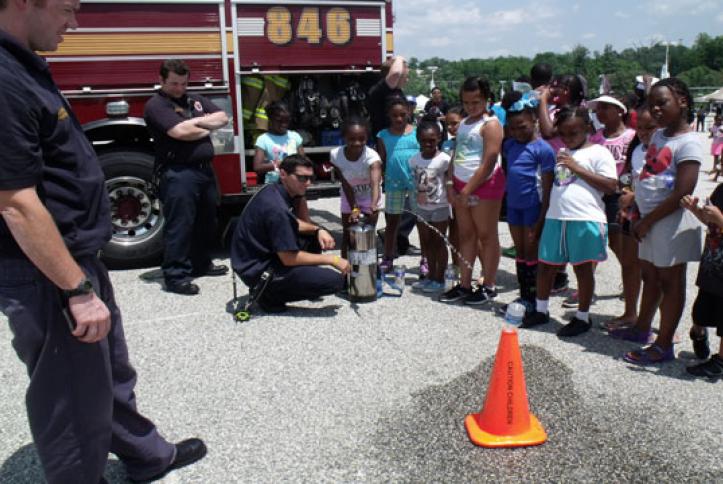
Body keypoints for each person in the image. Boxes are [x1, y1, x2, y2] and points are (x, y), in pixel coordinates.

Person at [0, 2, 206, 482]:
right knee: (72, 395)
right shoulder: (4, 79)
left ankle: (146, 454)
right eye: (67, 9)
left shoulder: (24, 65)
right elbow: (15, 202)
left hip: (74, 258)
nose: (74, 23)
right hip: (48, 271)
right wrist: (74, 289)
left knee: (107, 373)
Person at [619, 78, 703, 365]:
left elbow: (683, 191)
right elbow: (649, 177)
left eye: (661, 102)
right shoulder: (659, 136)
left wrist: (648, 220)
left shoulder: (688, 142)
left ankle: (664, 343)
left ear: (682, 100)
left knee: (671, 282)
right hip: (649, 219)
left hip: (671, 222)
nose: (654, 109)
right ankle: (642, 328)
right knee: (650, 276)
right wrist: (637, 211)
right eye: (651, 103)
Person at [521, 107, 617, 336]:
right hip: (557, 217)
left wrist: (576, 167)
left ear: (587, 127)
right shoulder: (562, 152)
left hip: (585, 218)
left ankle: (582, 317)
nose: (568, 137)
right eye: (563, 133)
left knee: (583, 269)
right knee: (546, 266)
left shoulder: (599, 153)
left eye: (574, 131)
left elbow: (610, 186)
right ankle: (541, 310)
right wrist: (542, 219)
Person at [144, 59, 230, 295]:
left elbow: (223, 117)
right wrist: (203, 126)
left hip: (203, 170)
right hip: (178, 172)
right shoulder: (157, 105)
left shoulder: (194, 100)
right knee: (180, 224)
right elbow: (180, 132)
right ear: (161, 80)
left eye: (183, 83)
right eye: (173, 83)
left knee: (207, 221)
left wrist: (195, 122)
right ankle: (176, 275)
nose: (179, 88)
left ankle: (200, 263)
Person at [231, 155, 349, 312]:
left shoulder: (274, 191)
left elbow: (294, 223)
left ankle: (304, 282)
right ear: (283, 174)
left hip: (263, 259)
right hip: (259, 272)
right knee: (335, 281)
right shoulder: (276, 208)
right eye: (301, 178)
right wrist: (333, 259)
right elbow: (288, 258)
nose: (308, 183)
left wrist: (319, 229)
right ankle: (269, 296)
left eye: (310, 178)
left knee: (313, 235)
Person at [440, 76, 505, 305]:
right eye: (467, 103)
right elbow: (455, 155)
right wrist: (450, 185)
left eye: (476, 102)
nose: (471, 107)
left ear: (486, 99)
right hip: (460, 184)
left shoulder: (492, 124)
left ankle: (489, 284)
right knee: (466, 235)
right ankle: (465, 283)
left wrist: (467, 190)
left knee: (487, 236)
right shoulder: (465, 123)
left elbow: (489, 160)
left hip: (485, 185)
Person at [500, 91, 556, 313]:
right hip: (514, 207)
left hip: (534, 207)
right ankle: (523, 297)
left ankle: (535, 300)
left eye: (522, 126)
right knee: (521, 252)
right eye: (513, 127)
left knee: (532, 252)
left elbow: (548, 187)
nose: (517, 132)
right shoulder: (510, 145)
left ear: (534, 121)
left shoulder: (543, 149)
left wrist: (542, 218)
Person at [604, 106, 657, 333]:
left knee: (654, 271)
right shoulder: (636, 147)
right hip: (630, 212)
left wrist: (636, 195)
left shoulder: (664, 148)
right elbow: (627, 175)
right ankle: (630, 312)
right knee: (629, 263)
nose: (644, 132)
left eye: (650, 127)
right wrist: (625, 194)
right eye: (641, 127)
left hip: (654, 213)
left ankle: (661, 323)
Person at [588, 95, 636, 322]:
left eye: (605, 108)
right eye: (598, 109)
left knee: (620, 245)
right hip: (599, 195)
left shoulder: (632, 137)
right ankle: (587, 287)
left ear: (620, 110)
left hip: (620, 196)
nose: (600, 112)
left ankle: (630, 284)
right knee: (595, 240)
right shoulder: (595, 138)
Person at [680, 185, 723, 379]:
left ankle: (720, 362)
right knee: (700, 311)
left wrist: (720, 219)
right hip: (712, 266)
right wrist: (694, 209)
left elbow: (717, 220)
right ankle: (698, 333)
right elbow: (708, 220)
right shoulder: (721, 190)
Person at [377, 97, 420, 273]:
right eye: (395, 115)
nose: (399, 119)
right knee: (392, 221)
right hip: (393, 182)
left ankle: (425, 258)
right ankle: (388, 256)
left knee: (422, 220)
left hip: (417, 181)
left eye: (403, 115)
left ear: (409, 112)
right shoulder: (383, 135)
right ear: (389, 115)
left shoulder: (417, 132)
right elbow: (381, 160)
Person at [330, 118, 382, 259]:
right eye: (352, 139)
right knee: (348, 236)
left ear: (367, 138)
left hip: (370, 197)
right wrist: (354, 208)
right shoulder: (336, 155)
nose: (357, 143)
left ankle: (369, 272)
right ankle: (346, 273)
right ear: (344, 138)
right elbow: (346, 184)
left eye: (361, 139)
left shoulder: (372, 157)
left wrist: (373, 204)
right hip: (349, 197)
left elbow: (375, 183)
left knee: (367, 237)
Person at [409, 120, 451, 293]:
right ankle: (430, 276)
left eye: (432, 140)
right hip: (422, 207)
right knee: (426, 243)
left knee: (438, 241)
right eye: (424, 140)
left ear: (439, 139)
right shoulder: (413, 160)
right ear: (418, 139)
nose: (428, 144)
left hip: (440, 207)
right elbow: (416, 181)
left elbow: (449, 181)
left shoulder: (444, 159)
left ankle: (439, 278)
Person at [253, 101, 305, 184]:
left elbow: (303, 162)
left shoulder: (295, 136)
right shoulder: (263, 139)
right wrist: (279, 164)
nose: (283, 124)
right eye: (279, 121)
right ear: (270, 119)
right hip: (273, 185)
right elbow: (257, 167)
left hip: (294, 184)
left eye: (287, 120)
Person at [709, 115, 723, 181]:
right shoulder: (714, 126)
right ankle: (716, 171)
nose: (719, 121)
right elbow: (713, 133)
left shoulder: (721, 127)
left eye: (720, 120)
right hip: (715, 143)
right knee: (717, 158)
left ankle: (716, 173)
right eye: (717, 120)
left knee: (720, 160)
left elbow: (719, 133)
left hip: (721, 144)